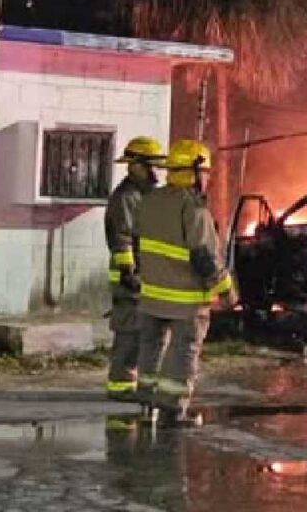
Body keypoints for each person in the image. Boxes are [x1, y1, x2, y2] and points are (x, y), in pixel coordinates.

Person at [134, 139, 237, 426]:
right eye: (205, 173)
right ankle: (172, 411)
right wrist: (226, 291)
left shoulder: (151, 201)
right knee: (183, 352)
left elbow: (138, 243)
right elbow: (204, 256)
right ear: (193, 172)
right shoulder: (193, 209)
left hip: (151, 295)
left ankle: (146, 404)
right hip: (185, 300)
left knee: (150, 348)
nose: (208, 179)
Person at [104, 137, 165, 402]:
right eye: (148, 165)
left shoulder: (147, 195)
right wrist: (129, 272)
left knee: (146, 332)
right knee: (129, 332)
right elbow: (122, 237)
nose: (154, 171)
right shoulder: (126, 197)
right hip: (130, 278)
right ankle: (120, 387)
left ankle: (140, 384)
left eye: (155, 166)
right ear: (134, 166)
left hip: (149, 275)